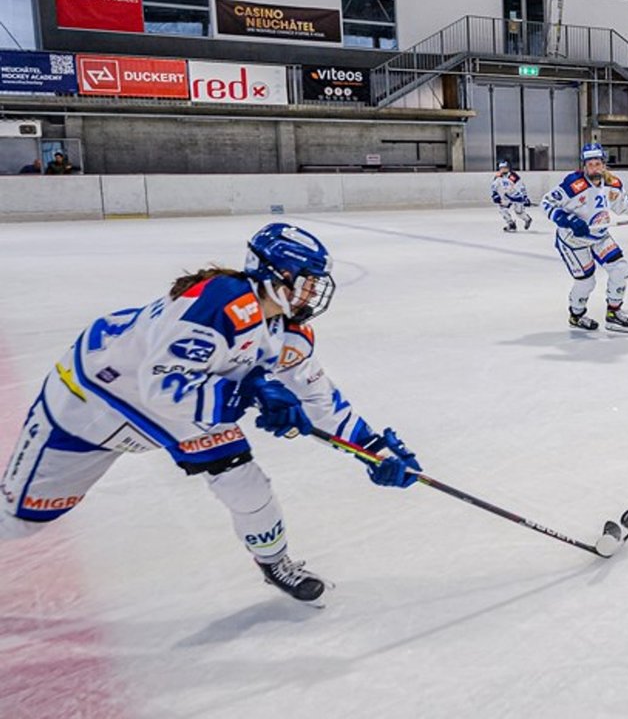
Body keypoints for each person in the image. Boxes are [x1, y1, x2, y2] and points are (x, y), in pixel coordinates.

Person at [0, 223, 421, 604]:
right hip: (93, 400)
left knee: (248, 486)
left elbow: (319, 401)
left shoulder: (288, 334)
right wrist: (249, 394)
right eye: (305, 282)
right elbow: (162, 384)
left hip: (179, 415)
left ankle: (274, 562)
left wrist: (373, 450)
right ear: (273, 275)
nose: (311, 294)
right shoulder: (222, 300)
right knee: (22, 521)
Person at [540, 142, 628, 333]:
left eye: (597, 163)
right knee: (587, 281)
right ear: (584, 166)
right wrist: (568, 220)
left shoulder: (612, 184)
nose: (594, 168)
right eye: (590, 164)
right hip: (573, 240)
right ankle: (576, 315)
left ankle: (613, 314)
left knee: (620, 269)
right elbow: (546, 203)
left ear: (604, 164)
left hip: (599, 236)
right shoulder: (573, 184)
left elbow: (625, 205)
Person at [491, 160, 533, 233]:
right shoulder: (498, 176)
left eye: (505, 168)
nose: (503, 169)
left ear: (508, 168)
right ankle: (511, 224)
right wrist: (495, 194)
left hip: (516, 196)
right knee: (502, 209)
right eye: (501, 168)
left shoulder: (513, 176)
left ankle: (527, 219)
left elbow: (521, 186)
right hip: (506, 196)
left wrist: (524, 197)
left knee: (519, 212)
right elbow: (494, 186)